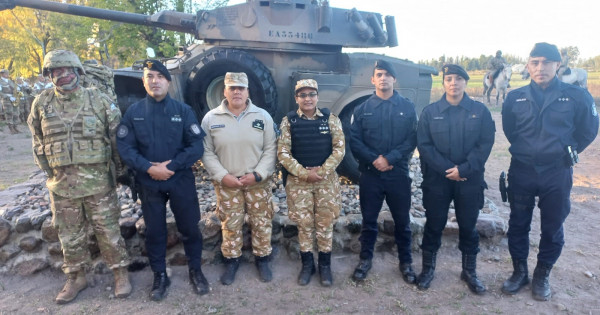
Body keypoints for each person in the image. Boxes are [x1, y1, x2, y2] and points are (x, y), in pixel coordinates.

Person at [27, 49, 131, 304]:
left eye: (66, 70)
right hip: (62, 186)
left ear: (77, 72)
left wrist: (120, 172)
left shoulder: (99, 100)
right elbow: (38, 141)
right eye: (55, 71)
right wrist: (50, 172)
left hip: (98, 183)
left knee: (108, 231)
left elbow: (117, 138)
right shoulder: (41, 103)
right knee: (69, 235)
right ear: (49, 75)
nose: (62, 76)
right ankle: (75, 278)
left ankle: (120, 273)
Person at [501, 42, 598, 301]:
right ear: (528, 65)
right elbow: (511, 131)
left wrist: (566, 150)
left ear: (558, 65)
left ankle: (542, 274)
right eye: (534, 62)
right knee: (518, 223)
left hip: (557, 171)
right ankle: (519, 272)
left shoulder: (577, 96)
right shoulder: (515, 97)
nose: (540, 67)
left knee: (552, 226)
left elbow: (588, 130)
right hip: (522, 170)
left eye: (546, 62)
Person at [117, 59, 209, 300]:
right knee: (155, 232)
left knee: (190, 228)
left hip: (179, 179)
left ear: (168, 81)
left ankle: (195, 270)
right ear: (143, 82)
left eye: (160, 76)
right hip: (149, 182)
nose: (155, 81)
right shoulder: (134, 113)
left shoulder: (183, 111)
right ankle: (159, 275)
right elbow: (125, 148)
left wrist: (172, 165)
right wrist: (148, 167)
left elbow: (196, 146)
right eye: (150, 77)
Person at [415, 64, 495, 294]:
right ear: (444, 83)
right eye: (449, 78)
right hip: (438, 180)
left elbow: (484, 144)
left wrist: (465, 169)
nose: (453, 83)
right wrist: (448, 169)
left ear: (465, 83)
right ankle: (428, 269)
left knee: (469, 226)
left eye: (458, 79)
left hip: (469, 180)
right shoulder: (430, 112)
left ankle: (469, 271)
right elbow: (425, 146)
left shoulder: (480, 111)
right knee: (434, 224)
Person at [201, 72, 277, 285]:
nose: (236, 91)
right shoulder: (211, 118)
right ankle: (232, 261)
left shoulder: (262, 116)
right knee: (230, 224)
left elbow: (271, 149)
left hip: (257, 182)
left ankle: (262, 259)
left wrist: (258, 174)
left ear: (247, 92)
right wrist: (222, 176)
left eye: (241, 88)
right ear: (224, 91)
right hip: (227, 184)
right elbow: (206, 151)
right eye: (232, 87)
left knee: (261, 222)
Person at [350, 60, 418, 283]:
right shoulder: (362, 109)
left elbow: (411, 140)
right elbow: (355, 141)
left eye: (388, 74)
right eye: (379, 74)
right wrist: (375, 160)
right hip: (371, 175)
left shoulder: (407, 108)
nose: (383, 78)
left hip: (397, 174)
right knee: (369, 221)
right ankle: (365, 260)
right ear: (372, 79)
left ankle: (406, 262)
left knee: (402, 222)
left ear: (394, 79)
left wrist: (390, 158)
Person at [278, 79, 345, 286]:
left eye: (311, 94)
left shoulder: (330, 119)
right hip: (299, 183)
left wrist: (321, 172)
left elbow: (339, 148)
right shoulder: (289, 121)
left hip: (326, 182)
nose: (307, 98)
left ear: (317, 96)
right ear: (296, 98)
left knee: (325, 223)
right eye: (303, 95)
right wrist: (304, 173)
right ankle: (308, 265)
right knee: (304, 225)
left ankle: (325, 266)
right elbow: (283, 153)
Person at [1, 69, 20, 133]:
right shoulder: (0, 82)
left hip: (14, 98)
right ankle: (11, 128)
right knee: (9, 113)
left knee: (16, 113)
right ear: (2, 74)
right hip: (6, 99)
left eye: (7, 73)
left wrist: (16, 93)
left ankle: (15, 127)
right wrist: (8, 97)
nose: (6, 74)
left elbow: (15, 89)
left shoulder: (10, 81)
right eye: (4, 73)